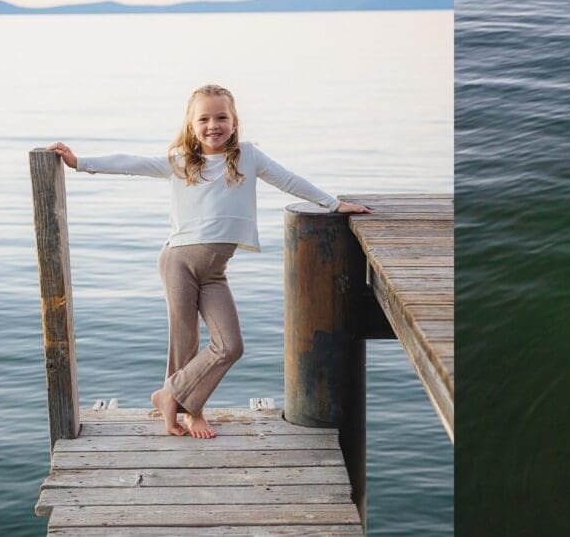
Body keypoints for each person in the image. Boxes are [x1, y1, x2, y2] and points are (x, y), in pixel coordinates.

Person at [48, 84, 372, 437]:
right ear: (191, 125)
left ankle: (170, 395)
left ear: (234, 122)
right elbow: (133, 163)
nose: (212, 125)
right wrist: (80, 163)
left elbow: (289, 180)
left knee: (230, 345)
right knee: (184, 342)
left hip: (215, 272)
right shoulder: (182, 161)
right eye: (203, 118)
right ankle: (187, 412)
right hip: (179, 262)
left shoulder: (249, 156)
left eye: (221, 117)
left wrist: (332, 204)